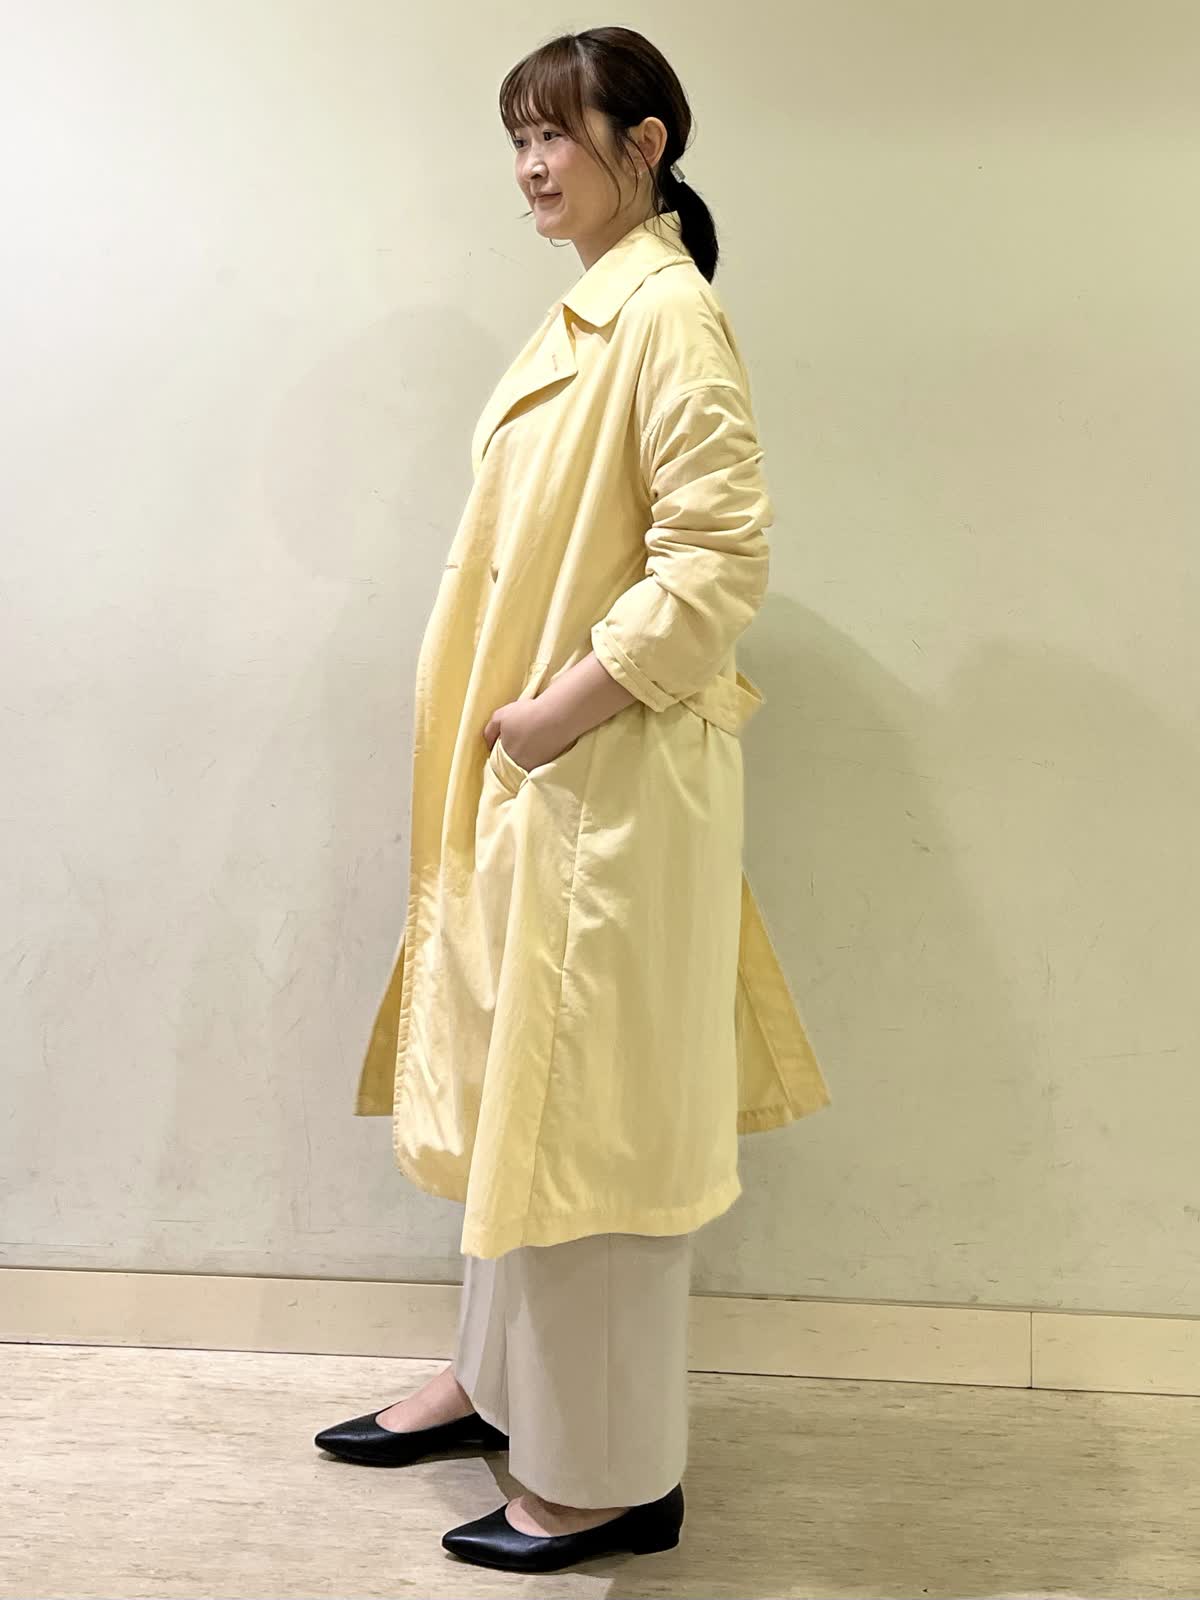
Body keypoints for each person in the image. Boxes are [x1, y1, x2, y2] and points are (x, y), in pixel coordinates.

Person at [317, 25, 831, 1576]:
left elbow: (719, 561)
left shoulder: (667, 318)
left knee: (589, 1128)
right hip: (545, 788)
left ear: (645, 142)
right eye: (518, 138)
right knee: (516, 1097)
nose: (533, 165)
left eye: (557, 133)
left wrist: (554, 713)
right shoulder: (593, 313)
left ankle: (610, 1478)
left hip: (600, 783)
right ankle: (494, 1382)